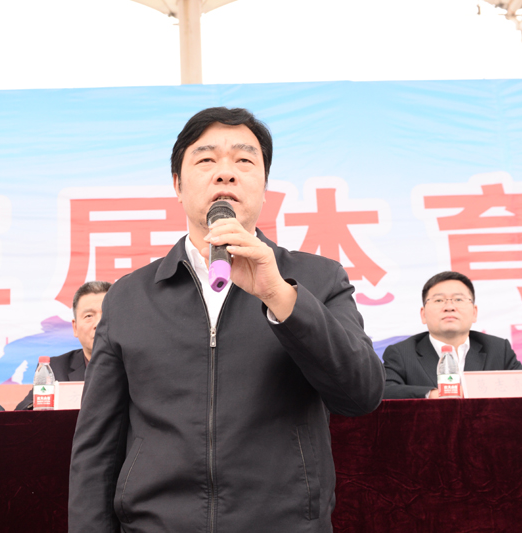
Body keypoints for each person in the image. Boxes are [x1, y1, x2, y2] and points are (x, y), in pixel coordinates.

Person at [68, 107, 385, 532]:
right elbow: (96, 446)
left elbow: (360, 394)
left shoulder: (319, 279)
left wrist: (280, 296)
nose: (225, 173)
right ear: (177, 185)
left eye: (244, 160)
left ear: (265, 186)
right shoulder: (130, 296)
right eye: (206, 159)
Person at [382, 271, 522, 399]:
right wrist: (433, 395)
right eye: (439, 300)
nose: (449, 307)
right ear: (423, 314)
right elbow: (383, 392)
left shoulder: (498, 349)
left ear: (474, 312)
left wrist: (477, 391)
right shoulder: (402, 353)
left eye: (458, 299)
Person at [15, 280, 111, 410]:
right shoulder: (55, 369)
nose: (98, 324)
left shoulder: (137, 365)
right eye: (89, 316)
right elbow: (22, 415)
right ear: (75, 327)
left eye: (107, 314)